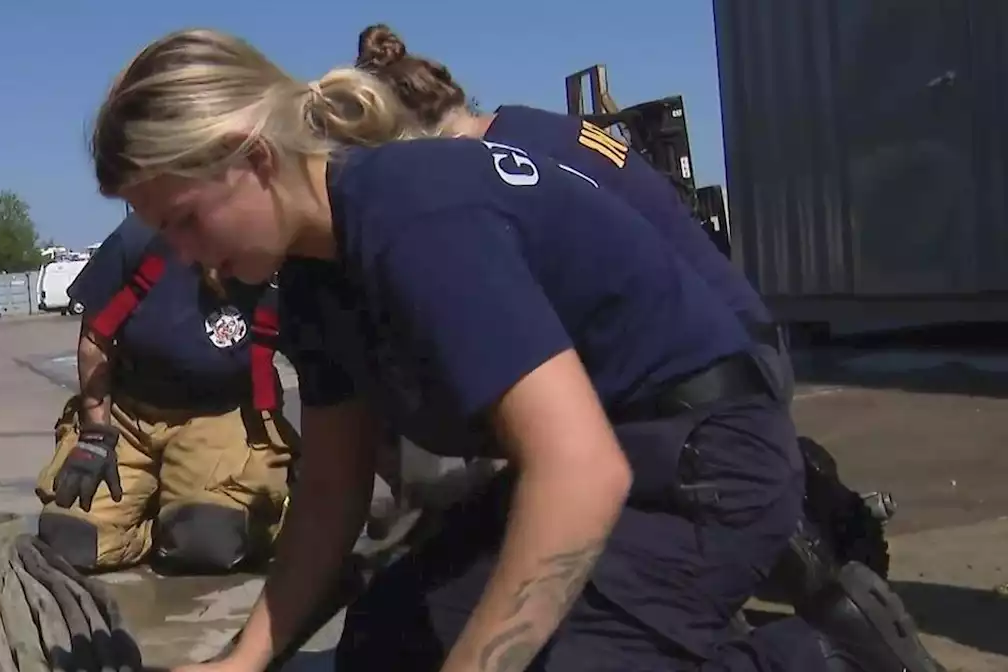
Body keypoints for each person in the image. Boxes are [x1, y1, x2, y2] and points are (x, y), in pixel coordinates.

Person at [88, 29, 942, 672]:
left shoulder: (408, 214)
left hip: (705, 465)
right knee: (385, 649)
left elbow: (582, 472)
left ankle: (819, 656)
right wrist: (244, 661)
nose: (186, 257)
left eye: (185, 221)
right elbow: (331, 491)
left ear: (253, 158)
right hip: (608, 459)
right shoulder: (314, 274)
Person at [350, 21, 900, 603]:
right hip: (738, 343)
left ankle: (796, 518)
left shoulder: (502, 164)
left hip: (715, 379)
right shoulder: (538, 131)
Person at [34, 212, 296, 575]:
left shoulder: (269, 254)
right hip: (128, 414)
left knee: (208, 541)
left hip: (218, 415)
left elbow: (325, 364)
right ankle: (158, 514)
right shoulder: (142, 237)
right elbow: (95, 341)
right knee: (68, 540)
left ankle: (200, 511)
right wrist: (95, 434)